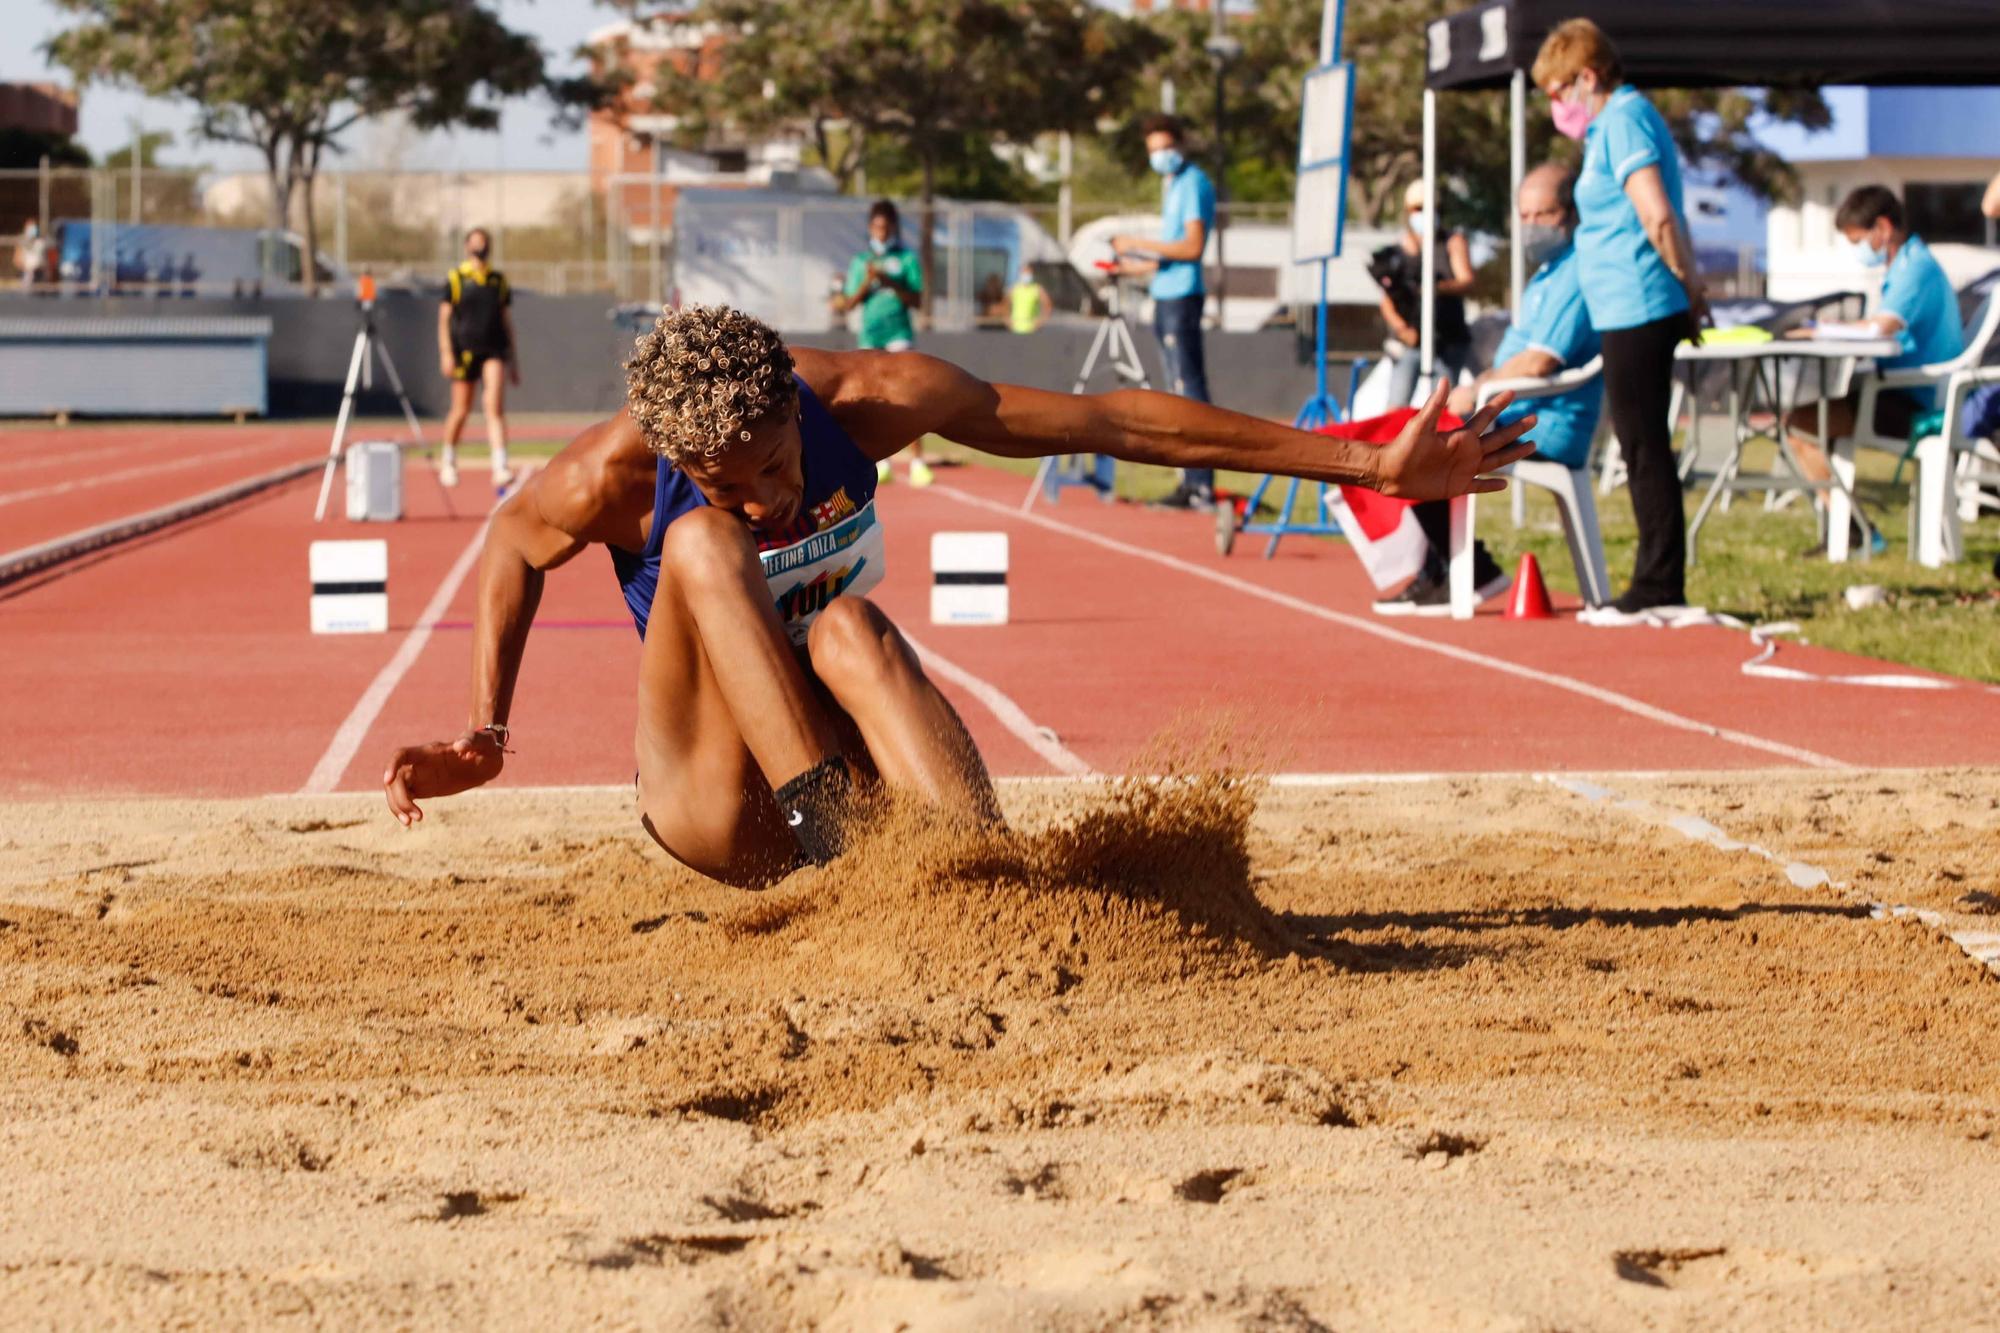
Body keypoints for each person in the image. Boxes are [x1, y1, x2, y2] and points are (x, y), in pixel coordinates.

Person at [380, 306, 1538, 887]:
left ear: (799, 405)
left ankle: (987, 891)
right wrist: (486, 731)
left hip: (855, 754)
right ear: (680, 464)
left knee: (847, 621)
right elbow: (507, 547)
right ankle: (840, 869)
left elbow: (1113, 420)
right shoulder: (607, 477)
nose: (771, 499)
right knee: (703, 558)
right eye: (729, 485)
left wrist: (1365, 465)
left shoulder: (880, 397)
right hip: (708, 796)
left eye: (780, 467)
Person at [1535, 18, 1708, 614]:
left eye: (1559, 92)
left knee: (1643, 446)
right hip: (1625, 303)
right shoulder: (1612, 123)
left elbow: (1657, 215)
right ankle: (1657, 576)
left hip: (1639, 301)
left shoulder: (1624, 119)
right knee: (1639, 444)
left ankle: (1660, 583)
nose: (1556, 106)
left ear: (1588, 76)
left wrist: (1689, 289)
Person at [1375, 164, 1602, 616]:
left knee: (1413, 444)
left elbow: (1540, 361)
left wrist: (1477, 391)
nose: (1533, 226)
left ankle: (1470, 571)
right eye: (1525, 215)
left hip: (1542, 423)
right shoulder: (1547, 274)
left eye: (1545, 214)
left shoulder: (1576, 272)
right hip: (1508, 408)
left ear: (1571, 215)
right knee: (1393, 436)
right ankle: (1445, 566)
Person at [1783, 186, 1966, 533]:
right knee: (1812, 423)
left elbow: (1879, 329)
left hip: (1917, 402)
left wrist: (1825, 330)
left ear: (1882, 227)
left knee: (1799, 426)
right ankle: (1848, 531)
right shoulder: (1906, 265)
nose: (1858, 251)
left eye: (1858, 241)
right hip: (1899, 392)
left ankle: (1854, 532)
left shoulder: (1916, 268)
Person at [1110, 114, 1218, 511]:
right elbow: (1170, 255)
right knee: (1177, 388)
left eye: (1164, 148)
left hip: (1182, 299)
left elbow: (1190, 248)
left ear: (1181, 145)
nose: (1159, 157)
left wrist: (1137, 242)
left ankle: (1201, 483)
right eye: (1152, 150)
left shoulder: (1192, 183)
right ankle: (1190, 480)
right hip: (1166, 294)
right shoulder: (1173, 186)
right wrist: (1132, 266)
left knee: (1188, 391)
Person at [835, 200, 932, 487]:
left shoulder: (906, 258)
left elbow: (916, 299)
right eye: (877, 226)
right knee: (874, 400)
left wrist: (888, 281)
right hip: (870, 335)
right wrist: (867, 281)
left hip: (899, 332)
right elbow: (849, 303)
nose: (881, 232)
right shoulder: (860, 261)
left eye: (886, 227)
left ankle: (917, 462)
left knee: (908, 396)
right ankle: (882, 462)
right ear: (870, 227)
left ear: (893, 228)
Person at [1376, 179, 1478, 410]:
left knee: (1439, 408)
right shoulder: (1399, 250)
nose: (1424, 214)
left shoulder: (1452, 242)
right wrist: (1404, 330)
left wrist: (1437, 287)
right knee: (1396, 406)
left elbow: (1467, 280)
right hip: (1410, 341)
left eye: (1430, 208)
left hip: (1447, 339)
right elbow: (1387, 301)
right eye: (1418, 209)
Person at [437, 227, 518, 490]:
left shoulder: (498, 280)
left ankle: (500, 465)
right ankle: (448, 458)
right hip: (464, 351)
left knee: (493, 406)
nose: (479, 248)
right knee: (461, 410)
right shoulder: (456, 279)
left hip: (493, 350)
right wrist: (447, 352)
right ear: (466, 247)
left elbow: (506, 321)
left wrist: (513, 360)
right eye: (474, 243)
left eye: (483, 243)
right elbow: (444, 319)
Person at [1008, 261, 1050, 335]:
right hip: (1015, 330)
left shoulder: (1037, 289)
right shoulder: (1014, 289)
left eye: (1028, 273)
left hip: (1032, 331)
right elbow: (1005, 306)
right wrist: (1008, 323)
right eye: (1024, 272)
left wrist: (1039, 322)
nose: (1026, 275)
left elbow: (1048, 306)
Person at [15, 221, 48, 294]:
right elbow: (16, 259)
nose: (32, 230)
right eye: (30, 227)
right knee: (26, 294)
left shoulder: (40, 241)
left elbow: (45, 258)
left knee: (39, 295)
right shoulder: (21, 241)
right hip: (26, 272)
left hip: (39, 272)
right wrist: (26, 269)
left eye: (33, 227)